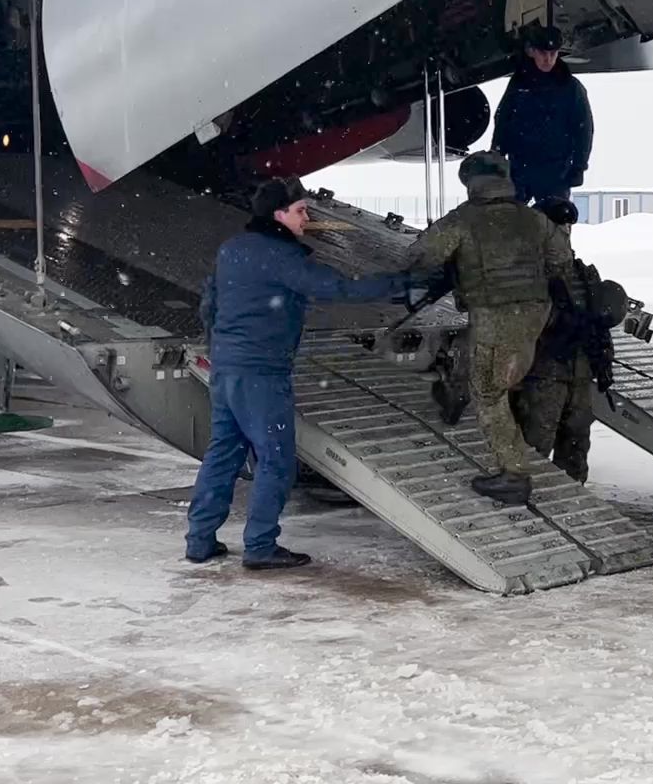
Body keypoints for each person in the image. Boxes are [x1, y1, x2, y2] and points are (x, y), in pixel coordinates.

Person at [185, 178, 411, 568]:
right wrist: (401, 284)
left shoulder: (232, 250)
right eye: (301, 210)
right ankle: (259, 546)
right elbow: (336, 288)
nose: (307, 217)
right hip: (261, 372)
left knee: (223, 452)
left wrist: (221, 347)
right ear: (279, 214)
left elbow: (210, 304)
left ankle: (199, 540)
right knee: (275, 459)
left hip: (228, 367)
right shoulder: (279, 256)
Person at [407, 152, 574, 506]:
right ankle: (458, 398)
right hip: (534, 313)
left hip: (495, 315)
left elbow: (420, 256)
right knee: (499, 374)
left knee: (489, 393)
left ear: (469, 182)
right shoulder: (533, 219)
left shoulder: (463, 221)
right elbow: (562, 259)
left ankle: (513, 474)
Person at [513, 198, 617, 484]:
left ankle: (571, 504)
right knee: (535, 445)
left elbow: (600, 321)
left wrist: (603, 356)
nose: (565, 232)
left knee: (575, 447)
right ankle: (524, 505)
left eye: (567, 227)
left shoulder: (584, 273)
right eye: (557, 227)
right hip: (543, 373)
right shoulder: (525, 272)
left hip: (580, 375)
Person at [491, 23, 594, 206]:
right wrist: (497, 152)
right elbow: (503, 119)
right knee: (510, 220)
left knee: (554, 224)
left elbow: (584, 128)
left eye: (552, 54)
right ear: (533, 52)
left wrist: (579, 165)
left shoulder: (570, 88)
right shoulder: (519, 84)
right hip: (520, 167)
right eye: (543, 53)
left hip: (556, 170)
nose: (548, 59)